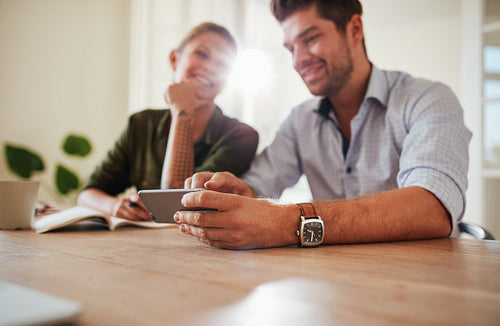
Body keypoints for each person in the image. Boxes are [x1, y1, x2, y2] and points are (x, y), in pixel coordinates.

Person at [175, 0, 472, 249]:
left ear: (354, 29)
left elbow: (433, 208)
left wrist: (288, 221)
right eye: (291, 48)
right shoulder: (299, 121)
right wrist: (241, 194)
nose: (299, 60)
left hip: (422, 283)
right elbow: (258, 186)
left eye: (311, 38)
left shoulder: (427, 99)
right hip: (333, 285)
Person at [77, 22, 258, 221]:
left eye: (223, 65)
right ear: (174, 59)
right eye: (201, 54)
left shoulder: (242, 135)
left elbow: (180, 203)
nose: (210, 68)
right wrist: (114, 206)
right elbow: (88, 194)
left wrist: (183, 111)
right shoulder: (140, 123)